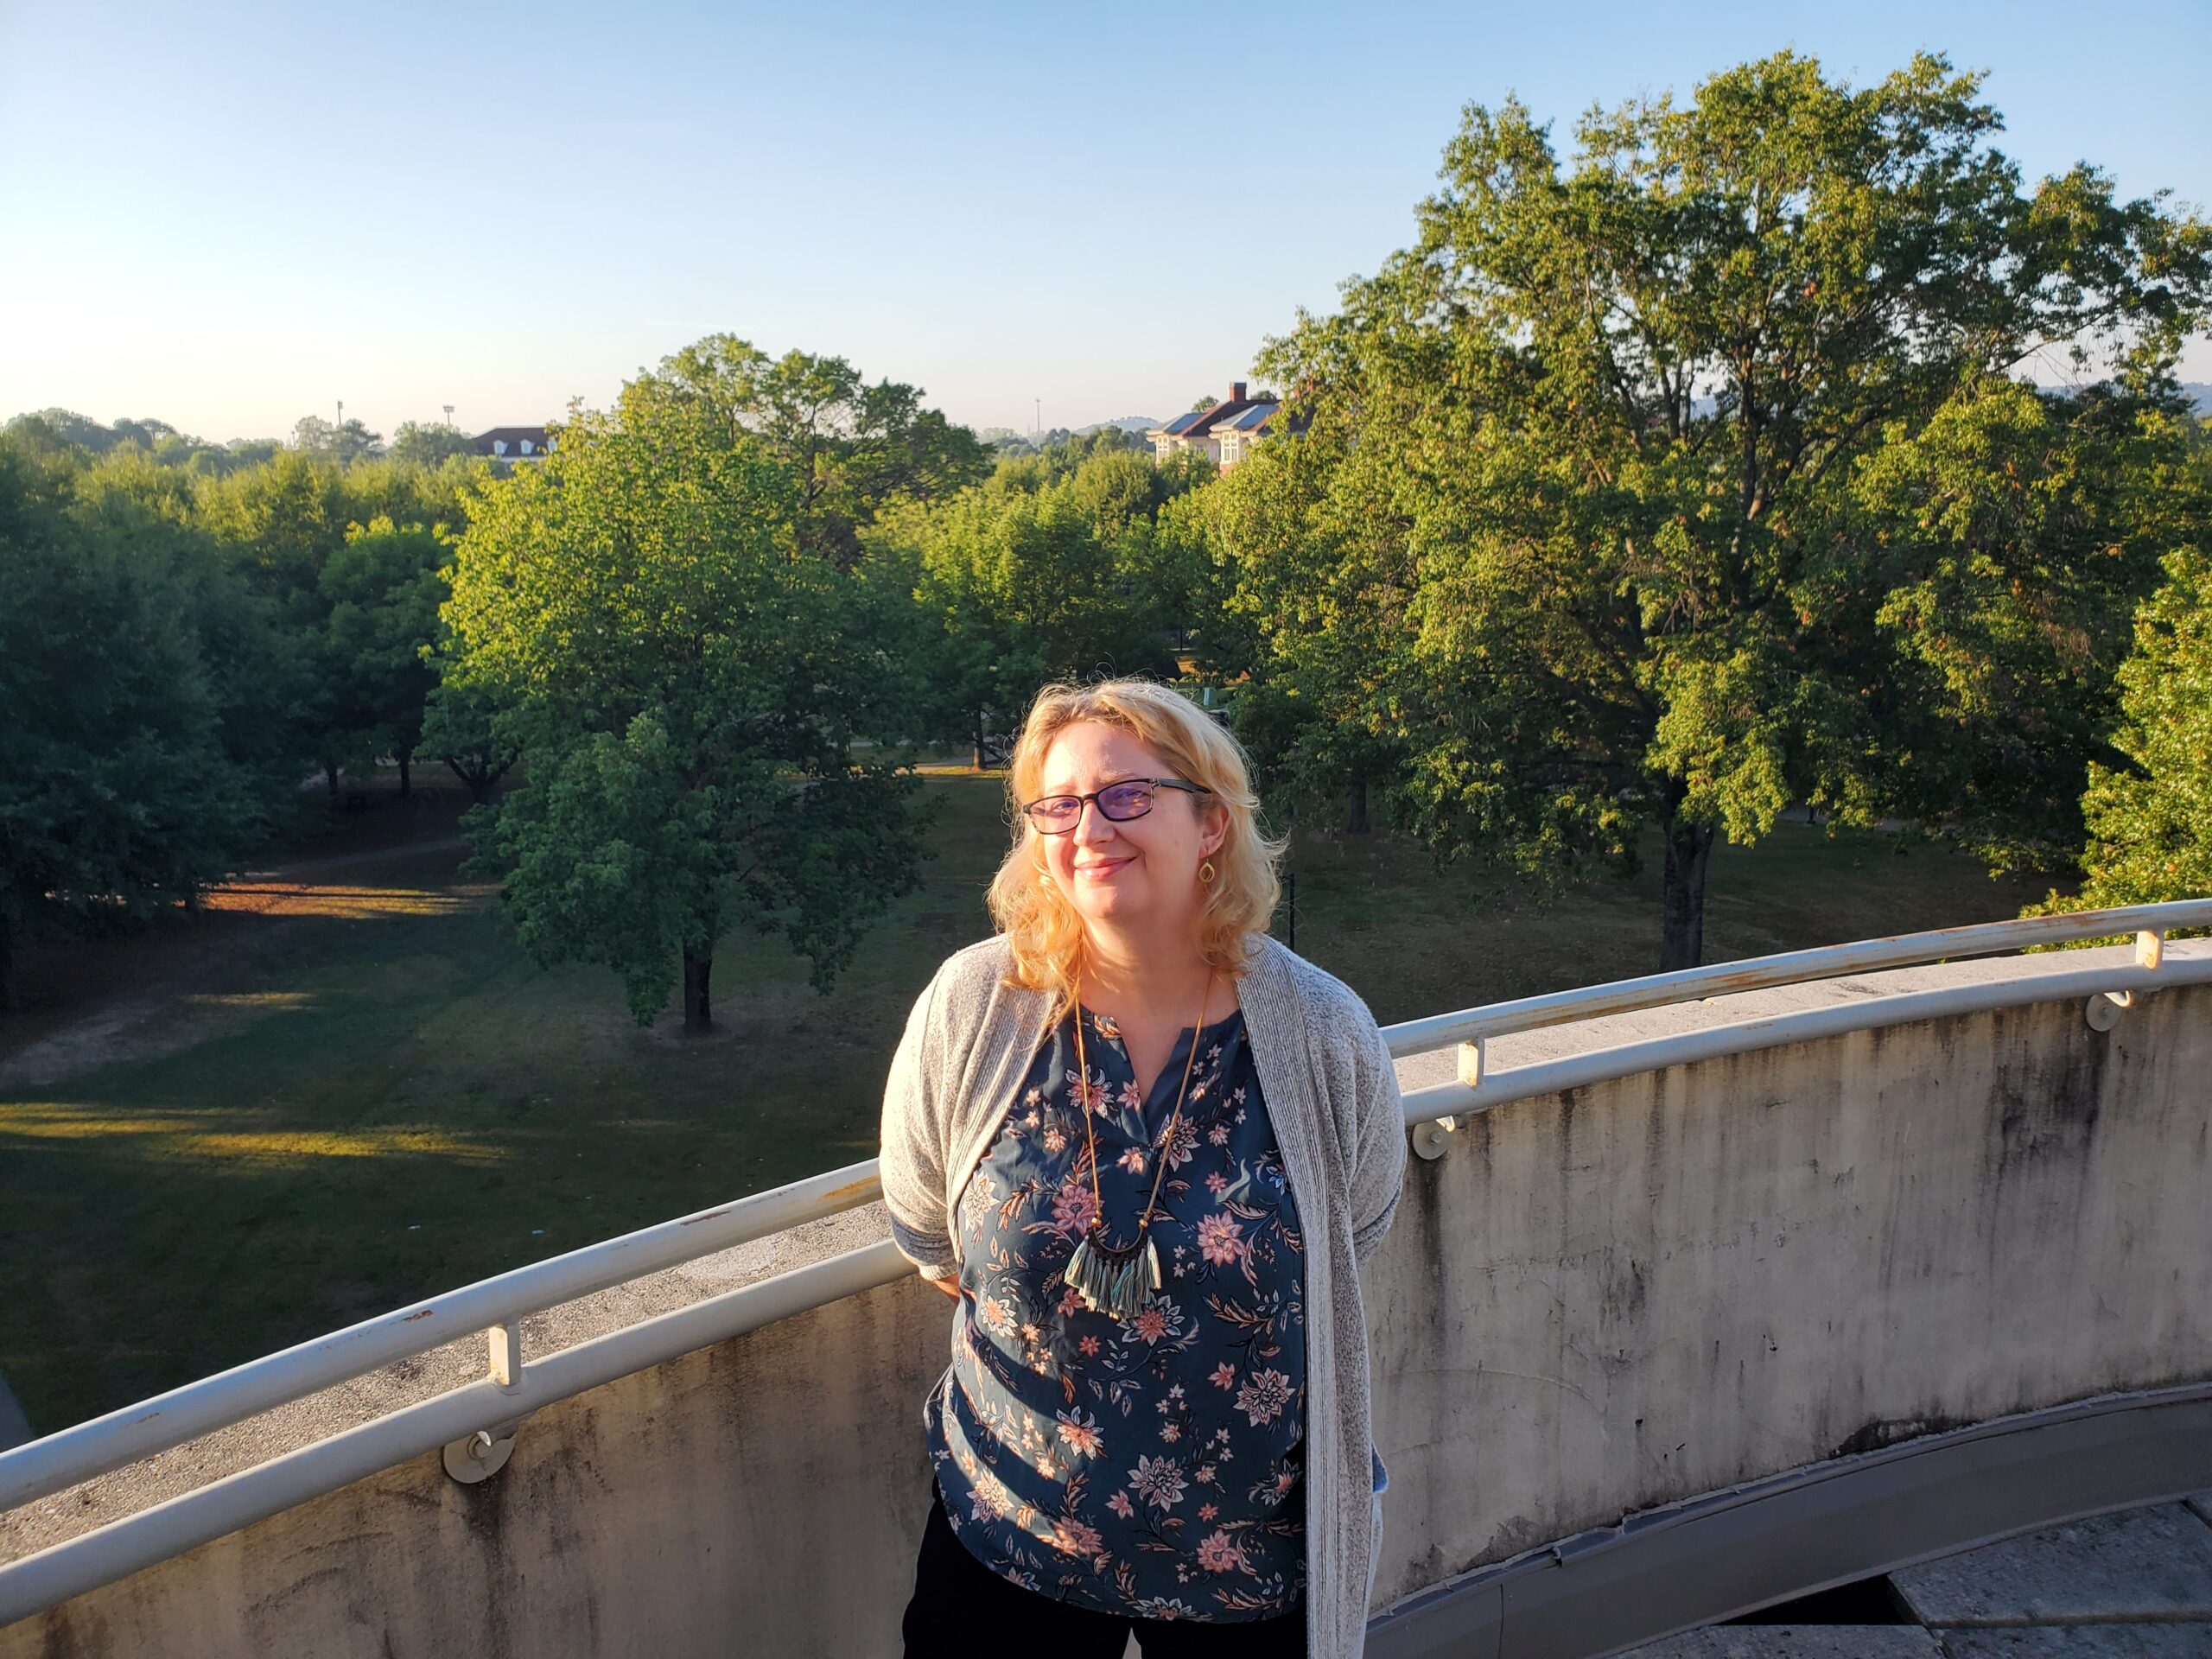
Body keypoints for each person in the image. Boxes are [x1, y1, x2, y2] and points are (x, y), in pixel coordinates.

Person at [879, 678, 1407, 1659]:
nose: (1089, 828)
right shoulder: (973, 1008)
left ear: (1210, 823)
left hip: (1246, 1563)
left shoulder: (1323, 1030)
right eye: (1059, 804)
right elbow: (927, 1227)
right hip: (1008, 1539)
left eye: (1127, 795)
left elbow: (1353, 1230)